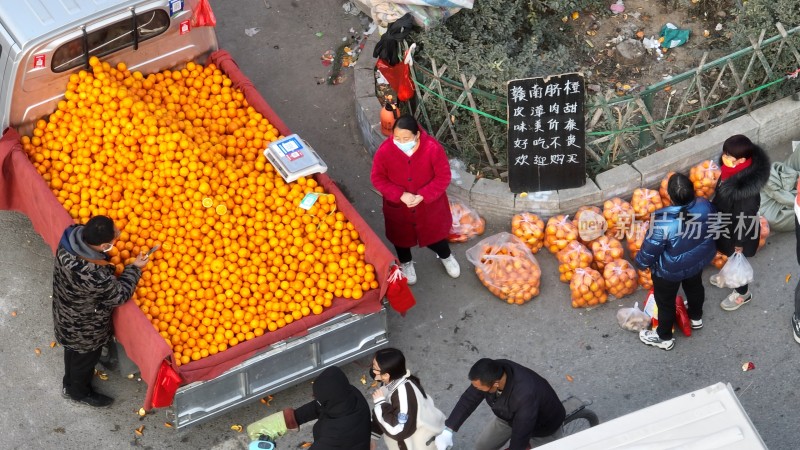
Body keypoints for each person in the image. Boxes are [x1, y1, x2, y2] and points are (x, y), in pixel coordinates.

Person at [53, 215, 149, 407]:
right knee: (85, 358)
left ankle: (69, 381)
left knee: (72, 350)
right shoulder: (92, 274)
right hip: (84, 327)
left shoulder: (69, 240)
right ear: (104, 245)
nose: (119, 234)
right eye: (116, 235)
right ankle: (78, 392)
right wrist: (135, 269)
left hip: (63, 311)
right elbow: (119, 295)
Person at [371, 114, 460, 285]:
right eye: (397, 138)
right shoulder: (385, 151)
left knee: (436, 236)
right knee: (401, 239)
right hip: (399, 208)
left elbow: (443, 176)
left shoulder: (432, 149)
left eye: (406, 138)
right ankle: (406, 263)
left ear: (417, 135)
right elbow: (378, 178)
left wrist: (424, 195)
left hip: (429, 207)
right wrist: (400, 194)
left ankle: (446, 256)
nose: (401, 142)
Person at [634, 173, 717, 350]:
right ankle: (696, 318)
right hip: (696, 261)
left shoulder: (662, 222)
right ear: (692, 190)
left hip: (669, 270)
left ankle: (664, 337)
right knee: (695, 287)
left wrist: (640, 263)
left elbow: (650, 249)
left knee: (665, 302)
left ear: (669, 197)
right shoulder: (705, 205)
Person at [434, 358, 565, 450]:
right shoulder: (495, 369)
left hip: (541, 427)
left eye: (479, 388)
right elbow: (469, 398)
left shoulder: (525, 396)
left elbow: (521, 434)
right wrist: (449, 429)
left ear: (496, 383)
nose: (476, 390)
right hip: (507, 417)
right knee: (482, 446)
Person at [246, 366, 372, 449]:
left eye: (317, 396)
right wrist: (292, 418)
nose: (313, 397)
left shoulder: (335, 436)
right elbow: (318, 406)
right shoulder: (349, 394)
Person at [711, 134, 770, 311]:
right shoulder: (731, 172)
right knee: (729, 255)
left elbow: (746, 219)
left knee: (735, 256)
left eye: (729, 156)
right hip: (726, 222)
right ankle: (727, 274)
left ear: (742, 160)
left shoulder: (746, 193)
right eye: (725, 153)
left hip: (737, 231)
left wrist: (739, 244)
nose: (724, 157)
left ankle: (742, 292)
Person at [369, 348, 446, 449]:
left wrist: (380, 403)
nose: (372, 370)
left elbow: (398, 429)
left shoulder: (403, 394)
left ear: (386, 375)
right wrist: (373, 435)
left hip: (417, 444)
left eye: (374, 367)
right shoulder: (394, 381)